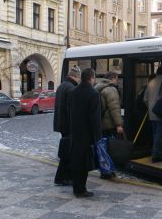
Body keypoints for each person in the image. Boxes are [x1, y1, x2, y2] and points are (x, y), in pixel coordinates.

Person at [69, 68, 101, 198]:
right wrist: (97, 136)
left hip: (75, 131)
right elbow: (95, 118)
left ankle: (76, 187)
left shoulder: (74, 91)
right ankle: (81, 189)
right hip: (87, 133)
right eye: (94, 78)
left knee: (77, 160)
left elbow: (69, 111)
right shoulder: (93, 93)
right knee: (84, 162)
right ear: (91, 78)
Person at [53, 65, 81, 186]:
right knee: (68, 153)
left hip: (61, 124)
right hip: (69, 125)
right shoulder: (71, 88)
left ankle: (64, 177)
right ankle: (62, 177)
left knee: (66, 151)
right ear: (75, 76)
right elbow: (72, 111)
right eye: (79, 77)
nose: (79, 80)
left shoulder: (62, 86)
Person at [94, 71, 124, 179]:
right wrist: (119, 124)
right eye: (117, 79)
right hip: (109, 124)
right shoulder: (110, 89)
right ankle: (107, 171)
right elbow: (114, 108)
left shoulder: (98, 87)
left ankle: (104, 170)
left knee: (102, 148)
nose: (117, 81)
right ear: (113, 78)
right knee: (109, 148)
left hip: (100, 123)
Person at [143, 65, 162, 163]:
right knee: (160, 134)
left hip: (152, 113)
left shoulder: (151, 82)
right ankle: (156, 155)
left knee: (155, 134)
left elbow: (145, 99)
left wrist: (151, 107)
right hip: (161, 113)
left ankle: (156, 152)